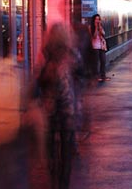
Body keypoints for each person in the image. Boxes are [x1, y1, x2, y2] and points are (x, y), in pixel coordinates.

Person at [35, 23, 77, 189]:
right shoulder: (70, 54)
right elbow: (80, 71)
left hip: (49, 109)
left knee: (50, 147)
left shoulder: (45, 55)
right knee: (66, 149)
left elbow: (38, 79)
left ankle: (53, 178)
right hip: (67, 109)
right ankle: (63, 183)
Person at [89, 14, 109, 82]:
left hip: (101, 46)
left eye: (98, 19)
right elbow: (94, 36)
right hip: (95, 46)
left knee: (103, 61)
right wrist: (96, 28)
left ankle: (103, 75)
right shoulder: (90, 27)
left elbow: (103, 34)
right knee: (96, 62)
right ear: (94, 20)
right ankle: (96, 76)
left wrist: (99, 27)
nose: (97, 20)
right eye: (96, 19)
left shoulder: (100, 27)